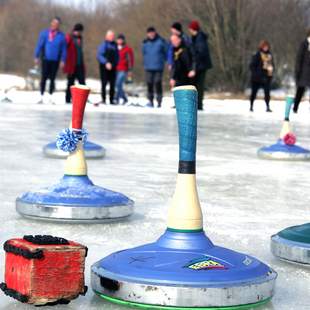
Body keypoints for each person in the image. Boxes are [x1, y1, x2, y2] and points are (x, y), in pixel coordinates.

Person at [34, 16, 66, 104]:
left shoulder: (61, 36)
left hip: (55, 60)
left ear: (59, 25)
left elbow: (64, 49)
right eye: (54, 23)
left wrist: (63, 60)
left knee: (52, 78)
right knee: (43, 77)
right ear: (51, 23)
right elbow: (39, 45)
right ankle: (41, 96)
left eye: (57, 24)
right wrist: (36, 56)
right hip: (45, 59)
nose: (55, 25)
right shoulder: (44, 33)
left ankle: (51, 97)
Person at [188, 20, 212, 110]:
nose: (189, 30)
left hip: (201, 66)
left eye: (190, 29)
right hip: (199, 65)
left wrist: (194, 67)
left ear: (194, 29)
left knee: (199, 86)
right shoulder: (196, 37)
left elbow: (201, 52)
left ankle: (199, 105)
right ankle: (196, 104)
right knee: (196, 85)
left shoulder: (200, 38)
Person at [142, 26, 167, 108]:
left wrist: (166, 61)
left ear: (155, 33)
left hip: (159, 67)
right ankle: (150, 100)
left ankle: (159, 101)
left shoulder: (161, 41)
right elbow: (144, 53)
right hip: (148, 66)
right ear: (147, 34)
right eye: (149, 33)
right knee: (149, 83)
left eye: (152, 32)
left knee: (157, 82)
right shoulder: (145, 43)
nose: (151, 34)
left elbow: (166, 52)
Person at [249, 40, 274, 112]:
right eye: (264, 46)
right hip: (256, 78)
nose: (266, 48)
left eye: (267, 46)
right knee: (254, 93)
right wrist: (256, 73)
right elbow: (252, 66)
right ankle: (251, 106)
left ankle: (267, 106)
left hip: (266, 77)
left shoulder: (270, 55)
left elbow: (272, 65)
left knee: (267, 93)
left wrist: (271, 74)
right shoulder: (257, 54)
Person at [63, 23, 85, 104]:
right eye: (77, 31)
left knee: (82, 83)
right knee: (70, 83)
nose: (79, 33)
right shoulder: (69, 37)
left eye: (80, 31)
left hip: (79, 64)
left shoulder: (80, 38)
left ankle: (82, 99)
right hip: (71, 65)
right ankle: (68, 99)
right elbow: (64, 47)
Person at [96, 30, 119, 105]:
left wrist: (114, 64)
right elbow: (99, 56)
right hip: (104, 67)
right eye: (110, 36)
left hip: (113, 67)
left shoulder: (115, 45)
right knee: (104, 83)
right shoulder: (103, 45)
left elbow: (117, 56)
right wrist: (106, 63)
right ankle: (103, 99)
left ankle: (112, 99)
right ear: (107, 37)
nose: (112, 37)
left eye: (113, 36)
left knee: (112, 84)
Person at [293, 29, 310, 113]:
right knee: (300, 91)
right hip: (304, 72)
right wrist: (297, 72)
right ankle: (295, 107)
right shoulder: (304, 44)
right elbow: (299, 59)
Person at [115, 34, 134, 105]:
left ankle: (116, 98)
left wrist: (130, 70)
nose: (119, 41)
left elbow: (131, 60)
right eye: (118, 39)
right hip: (115, 69)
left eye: (121, 39)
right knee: (117, 85)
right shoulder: (114, 48)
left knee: (118, 83)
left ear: (123, 40)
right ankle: (124, 98)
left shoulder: (127, 49)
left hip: (123, 69)